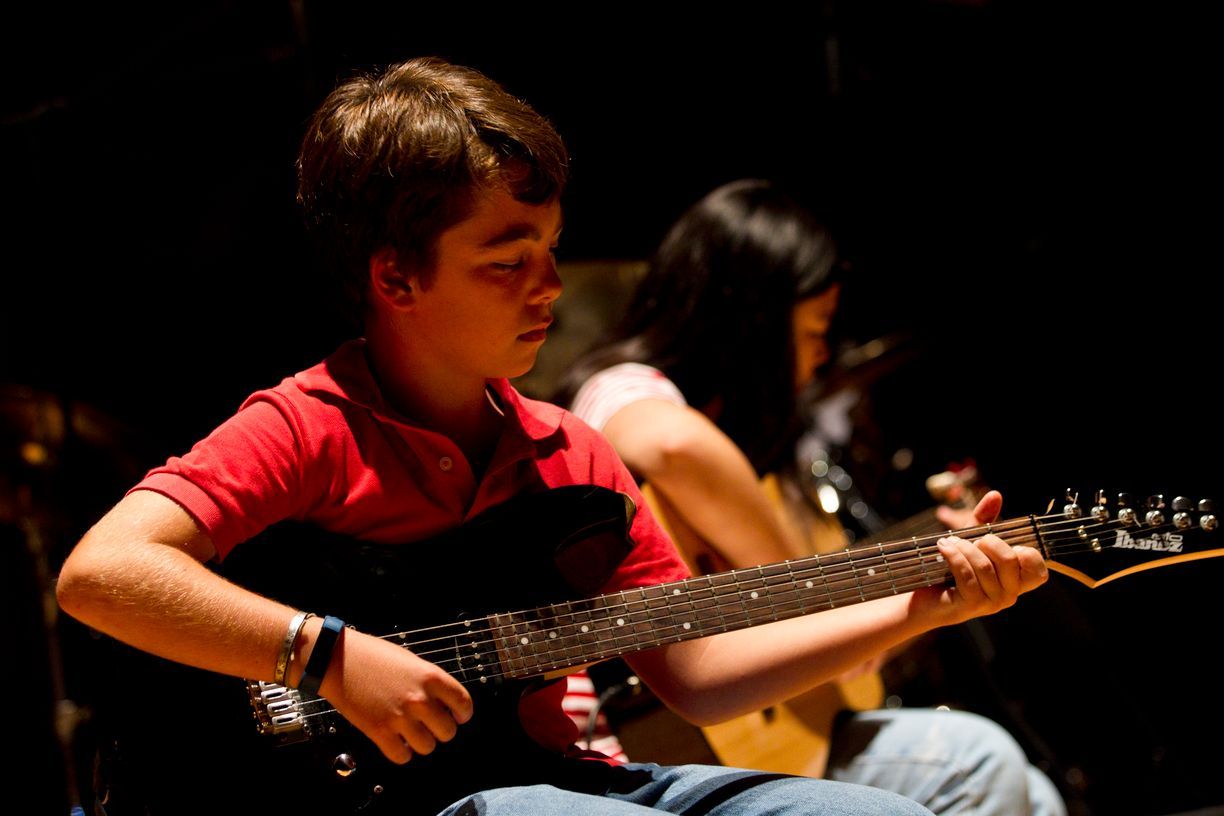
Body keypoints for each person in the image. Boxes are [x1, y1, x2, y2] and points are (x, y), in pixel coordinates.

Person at [55, 59, 1047, 816]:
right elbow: (102, 574)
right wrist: (327, 657)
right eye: (506, 259)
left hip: (558, 783)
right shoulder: (305, 427)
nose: (551, 287)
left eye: (552, 251)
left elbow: (698, 680)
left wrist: (914, 606)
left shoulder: (571, 454)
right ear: (395, 278)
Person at [557, 179, 1067, 816]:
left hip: (771, 729)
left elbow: (838, 654)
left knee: (1038, 793)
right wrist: (810, 587)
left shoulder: (758, 444)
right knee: (979, 759)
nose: (823, 356)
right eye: (814, 330)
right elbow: (667, 444)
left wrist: (910, 576)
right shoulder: (626, 387)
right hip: (663, 741)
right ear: (754, 325)